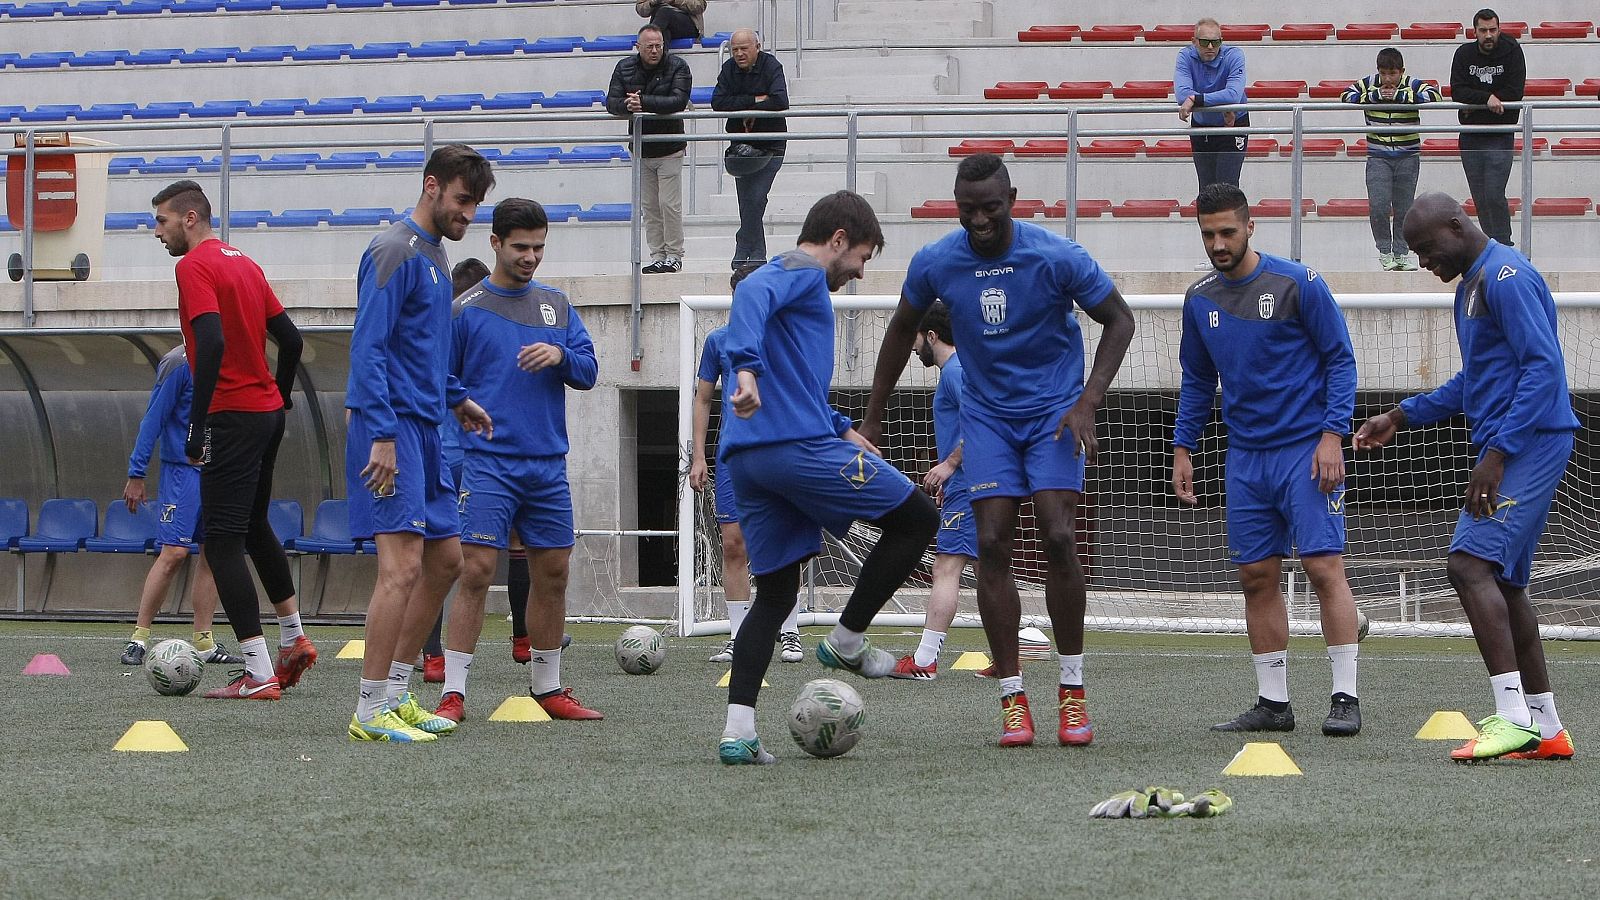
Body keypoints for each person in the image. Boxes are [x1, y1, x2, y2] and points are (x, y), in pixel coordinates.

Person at [863, 154, 1136, 749]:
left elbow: (1120, 320)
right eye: (968, 210)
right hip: (986, 418)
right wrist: (874, 416)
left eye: (990, 207)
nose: (980, 220)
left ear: (1012, 199)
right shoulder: (937, 261)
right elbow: (900, 328)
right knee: (990, 543)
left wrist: (1088, 401)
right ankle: (1013, 698)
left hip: (1053, 413)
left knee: (1059, 535)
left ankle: (1071, 689)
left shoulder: (1056, 256)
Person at [717, 191, 939, 764]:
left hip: (751, 461)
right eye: (861, 257)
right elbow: (751, 292)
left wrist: (841, 426)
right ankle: (846, 640)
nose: (860, 272)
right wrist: (745, 369)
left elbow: (796, 384)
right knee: (918, 519)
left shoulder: (797, 287)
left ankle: (739, 732)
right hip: (794, 451)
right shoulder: (801, 271)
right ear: (838, 239)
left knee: (777, 595)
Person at [1354, 192, 1578, 762]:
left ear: (1457, 225)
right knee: (1505, 584)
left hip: (1531, 443)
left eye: (1427, 248)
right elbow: (1476, 381)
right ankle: (1546, 727)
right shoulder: (1471, 286)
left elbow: (1543, 368)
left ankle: (1512, 718)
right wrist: (1401, 415)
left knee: (1467, 565)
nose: (1424, 261)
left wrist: (1498, 454)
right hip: (1519, 442)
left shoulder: (1506, 277)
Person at [1173, 183, 1364, 737]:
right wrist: (1183, 447)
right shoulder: (1198, 298)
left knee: (1323, 567)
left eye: (1227, 232)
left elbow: (1340, 360)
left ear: (1250, 227)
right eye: (1208, 234)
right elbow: (1197, 380)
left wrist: (1333, 435)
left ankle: (1345, 697)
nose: (1218, 243)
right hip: (1245, 457)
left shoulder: (1298, 284)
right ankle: (1274, 704)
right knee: (1256, 576)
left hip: (1306, 451)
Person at [432, 198, 602, 724]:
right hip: (489, 463)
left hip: (547, 464)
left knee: (553, 572)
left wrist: (561, 355)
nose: (530, 257)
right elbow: (439, 374)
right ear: (495, 243)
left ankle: (548, 688)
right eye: (521, 247)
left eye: (538, 248)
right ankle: (453, 692)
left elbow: (589, 370)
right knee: (477, 571)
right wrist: (461, 403)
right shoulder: (465, 309)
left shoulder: (557, 306)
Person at [346, 144, 495, 743]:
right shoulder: (393, 249)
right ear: (431, 186)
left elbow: (422, 347)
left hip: (428, 425)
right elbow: (369, 346)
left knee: (446, 561)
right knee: (401, 568)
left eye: (476, 205)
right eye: (462, 200)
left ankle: (398, 692)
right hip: (393, 428)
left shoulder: (434, 254)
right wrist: (382, 433)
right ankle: (367, 710)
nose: (469, 215)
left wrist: (456, 397)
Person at [150, 179, 315, 700]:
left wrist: (197, 424)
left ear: (190, 218)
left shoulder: (193, 266)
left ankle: (259, 673)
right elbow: (291, 341)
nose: (157, 232)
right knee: (254, 526)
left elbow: (212, 340)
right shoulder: (245, 263)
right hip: (265, 415)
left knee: (220, 542)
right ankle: (293, 638)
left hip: (232, 417)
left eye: (162, 221)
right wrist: (279, 395)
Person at [117, 345, 242, 669]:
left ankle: (204, 642)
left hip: (217, 472)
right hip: (181, 474)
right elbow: (153, 418)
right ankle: (139, 639)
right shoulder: (178, 362)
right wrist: (136, 473)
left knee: (214, 554)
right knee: (174, 553)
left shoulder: (230, 357)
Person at [688, 320, 805, 667]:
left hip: (779, 452)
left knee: (785, 543)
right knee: (733, 544)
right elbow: (703, 398)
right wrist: (698, 457)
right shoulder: (718, 340)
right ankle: (739, 636)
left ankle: (790, 630)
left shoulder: (786, 335)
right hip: (733, 457)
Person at [888, 301, 976, 681]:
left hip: (969, 485)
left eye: (916, 337)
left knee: (946, 567)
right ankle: (1013, 652)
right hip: (975, 484)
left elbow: (980, 422)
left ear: (932, 336)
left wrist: (950, 465)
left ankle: (924, 660)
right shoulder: (960, 370)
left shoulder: (955, 372)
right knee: (991, 571)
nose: (912, 346)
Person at [420, 258, 491, 684]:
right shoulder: (473, 326)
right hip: (472, 456)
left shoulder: (439, 329)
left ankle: (431, 654)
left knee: (436, 558)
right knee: (475, 558)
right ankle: (528, 637)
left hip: (442, 455)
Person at [1342, 48, 1441, 271]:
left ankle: (1401, 253)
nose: (1388, 79)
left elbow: (1434, 95)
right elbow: (1346, 95)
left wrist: (1400, 96)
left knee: (1404, 208)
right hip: (1378, 156)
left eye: (1393, 74)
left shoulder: (1411, 83)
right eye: (1384, 73)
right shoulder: (1369, 83)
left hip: (1408, 156)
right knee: (1378, 206)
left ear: (1401, 71)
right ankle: (1384, 251)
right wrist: (1374, 96)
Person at [606, 25, 692, 275]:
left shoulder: (678, 66)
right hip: (641, 148)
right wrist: (627, 104)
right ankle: (657, 255)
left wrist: (642, 102)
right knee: (650, 207)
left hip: (670, 147)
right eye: (649, 46)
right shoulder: (624, 67)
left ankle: (674, 255)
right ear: (638, 47)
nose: (655, 50)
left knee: (669, 204)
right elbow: (611, 102)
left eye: (658, 46)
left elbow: (678, 100)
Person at [711, 27, 788, 273]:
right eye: (735, 49)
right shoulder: (728, 69)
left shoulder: (771, 66)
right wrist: (754, 101)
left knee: (755, 198)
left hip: (771, 144)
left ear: (757, 47)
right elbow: (718, 102)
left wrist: (746, 107)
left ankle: (745, 244)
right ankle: (756, 255)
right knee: (747, 202)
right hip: (740, 148)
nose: (739, 54)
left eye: (744, 48)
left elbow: (780, 100)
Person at [1450, 8, 1524, 247]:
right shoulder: (1463, 54)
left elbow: (1515, 92)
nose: (1488, 35)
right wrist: (1488, 99)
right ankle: (1490, 245)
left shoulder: (1512, 50)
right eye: (1483, 30)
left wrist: (1476, 104)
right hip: (1471, 135)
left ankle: (1504, 245)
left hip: (1500, 134)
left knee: (1493, 193)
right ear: (1475, 32)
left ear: (1499, 29)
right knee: (1480, 197)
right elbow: (1457, 91)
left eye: (1493, 30)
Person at [1175, 18, 1249, 191]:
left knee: (1227, 187)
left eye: (1215, 42)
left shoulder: (1234, 55)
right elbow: (1182, 95)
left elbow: (1233, 95)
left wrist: (1196, 100)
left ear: (1221, 42)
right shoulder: (1185, 56)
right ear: (1194, 42)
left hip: (1233, 125)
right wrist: (1220, 102)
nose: (1210, 47)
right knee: (1206, 189)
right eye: (1204, 42)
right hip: (1202, 126)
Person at [636, 0, 704, 44]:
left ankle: (649, 42)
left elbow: (700, 6)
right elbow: (641, 10)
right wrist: (653, 2)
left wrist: (675, 1)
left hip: (687, 26)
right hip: (661, 25)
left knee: (665, 12)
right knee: (664, 32)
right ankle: (662, 61)